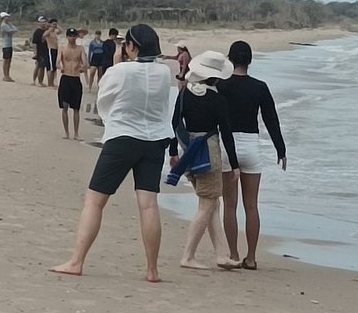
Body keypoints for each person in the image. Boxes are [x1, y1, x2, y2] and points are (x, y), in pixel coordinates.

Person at [50, 24, 172, 282]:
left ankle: (77, 261)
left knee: (95, 201)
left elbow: (105, 100)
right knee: (148, 204)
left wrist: (118, 63)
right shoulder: (164, 71)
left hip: (123, 138)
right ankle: (152, 269)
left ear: (132, 46)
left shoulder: (121, 71)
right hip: (154, 140)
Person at [219, 40, 287, 270]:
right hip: (250, 145)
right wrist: (281, 149)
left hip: (226, 146)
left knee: (229, 205)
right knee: (251, 206)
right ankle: (251, 257)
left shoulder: (221, 85)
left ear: (230, 59)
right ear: (250, 60)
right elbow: (271, 119)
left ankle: (234, 254)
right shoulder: (260, 87)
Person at [170, 50, 240, 270]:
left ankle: (222, 254)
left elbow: (174, 123)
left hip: (187, 150)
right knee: (208, 203)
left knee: (211, 204)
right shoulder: (218, 99)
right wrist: (235, 165)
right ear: (216, 76)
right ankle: (188, 255)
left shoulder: (184, 94)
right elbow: (226, 133)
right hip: (208, 152)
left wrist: (174, 151)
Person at [57, 28, 88, 140]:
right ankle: (66, 132)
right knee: (64, 106)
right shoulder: (63, 48)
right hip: (65, 78)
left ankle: (76, 133)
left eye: (74, 35)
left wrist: (82, 67)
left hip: (75, 78)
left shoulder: (80, 49)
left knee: (76, 108)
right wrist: (60, 67)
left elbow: (85, 62)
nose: (72, 38)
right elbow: (57, 62)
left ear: (76, 37)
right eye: (70, 36)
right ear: (67, 37)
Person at [30, 17, 49, 86]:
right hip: (40, 51)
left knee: (39, 66)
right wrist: (35, 53)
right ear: (38, 23)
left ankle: (36, 81)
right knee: (41, 66)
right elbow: (34, 43)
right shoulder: (37, 32)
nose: (43, 23)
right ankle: (38, 81)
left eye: (44, 22)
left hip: (46, 50)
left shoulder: (47, 31)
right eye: (42, 22)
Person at [0, 12, 17, 82]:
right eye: (7, 17)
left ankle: (7, 75)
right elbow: (10, 31)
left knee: (9, 61)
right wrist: (11, 31)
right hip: (5, 45)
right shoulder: (3, 25)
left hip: (9, 45)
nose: (8, 18)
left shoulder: (8, 24)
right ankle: (5, 75)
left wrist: (10, 25)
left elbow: (15, 29)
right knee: (6, 61)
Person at [44, 18, 60, 87]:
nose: (54, 25)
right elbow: (44, 35)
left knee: (54, 67)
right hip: (50, 49)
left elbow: (61, 31)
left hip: (56, 50)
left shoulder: (55, 32)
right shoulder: (48, 32)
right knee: (50, 68)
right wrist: (50, 28)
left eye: (55, 24)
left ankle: (52, 83)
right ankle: (49, 83)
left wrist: (57, 26)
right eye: (53, 24)